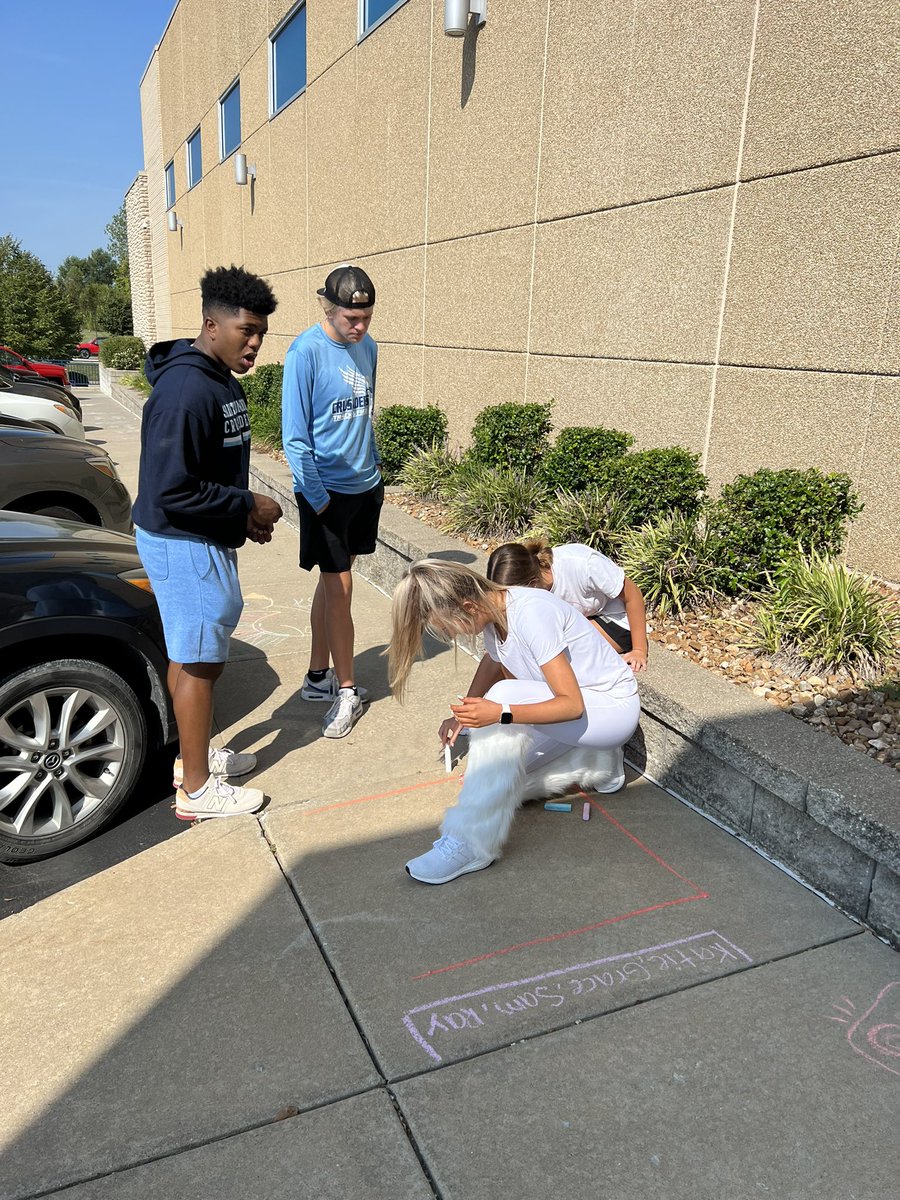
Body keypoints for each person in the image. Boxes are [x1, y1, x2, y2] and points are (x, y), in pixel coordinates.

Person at [133, 265, 283, 821]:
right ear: (211, 324)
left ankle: (189, 760)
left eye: (261, 333)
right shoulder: (184, 390)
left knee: (194, 655)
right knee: (199, 661)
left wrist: (239, 516)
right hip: (182, 542)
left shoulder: (218, 379)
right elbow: (171, 489)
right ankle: (196, 792)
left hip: (201, 538)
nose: (255, 343)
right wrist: (245, 505)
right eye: (246, 330)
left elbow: (204, 472)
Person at [389, 560, 641, 884]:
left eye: (448, 627)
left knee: (505, 698)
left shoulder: (531, 613)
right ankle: (598, 763)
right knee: (496, 784)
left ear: (468, 606)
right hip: (581, 716)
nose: (451, 635)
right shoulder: (494, 612)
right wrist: (459, 718)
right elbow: (493, 661)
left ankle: (472, 845)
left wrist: (500, 713)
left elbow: (572, 705)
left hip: (611, 710)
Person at [281, 265, 382, 739]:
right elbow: (295, 438)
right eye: (350, 318)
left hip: (366, 486)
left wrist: (375, 469)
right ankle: (346, 690)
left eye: (365, 316)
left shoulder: (370, 348)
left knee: (335, 585)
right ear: (329, 308)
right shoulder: (305, 352)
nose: (358, 326)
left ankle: (317, 675)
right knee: (340, 590)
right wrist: (317, 497)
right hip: (326, 494)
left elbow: (364, 416)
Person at [487, 539, 649, 672]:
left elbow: (632, 594)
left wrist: (639, 650)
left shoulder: (582, 564)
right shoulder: (533, 589)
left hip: (616, 618)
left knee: (556, 655)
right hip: (583, 618)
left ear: (533, 584)